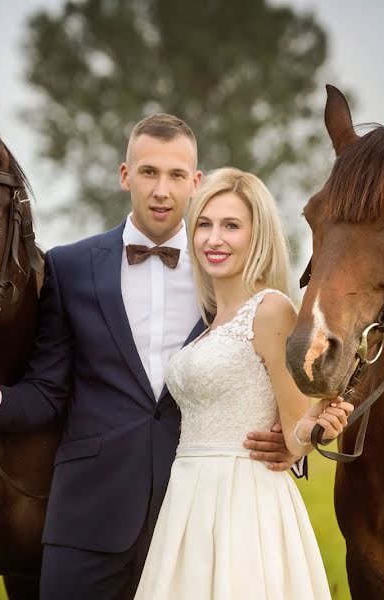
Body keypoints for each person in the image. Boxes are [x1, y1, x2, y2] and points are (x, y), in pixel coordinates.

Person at [0, 114, 304, 599]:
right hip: (88, 517)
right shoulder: (69, 267)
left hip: (196, 520)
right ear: (125, 175)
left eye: (177, 175)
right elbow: (49, 389)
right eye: (149, 173)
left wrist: (294, 445)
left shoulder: (223, 278)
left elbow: (265, 374)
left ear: (195, 182)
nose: (162, 190)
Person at [133, 167, 353, 599]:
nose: (214, 239)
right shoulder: (208, 325)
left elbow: (295, 434)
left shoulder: (271, 310)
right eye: (204, 225)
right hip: (188, 500)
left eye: (231, 225)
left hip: (245, 504)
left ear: (257, 235)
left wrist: (315, 425)